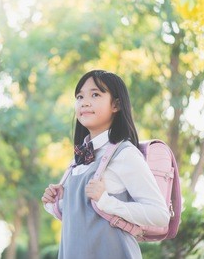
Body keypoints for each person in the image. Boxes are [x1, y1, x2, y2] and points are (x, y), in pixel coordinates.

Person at [41, 70, 170, 259]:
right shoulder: (77, 161)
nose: (84, 102)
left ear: (116, 104)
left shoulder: (126, 154)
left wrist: (106, 201)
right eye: (79, 96)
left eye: (95, 95)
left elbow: (160, 215)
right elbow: (80, 220)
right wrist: (54, 203)